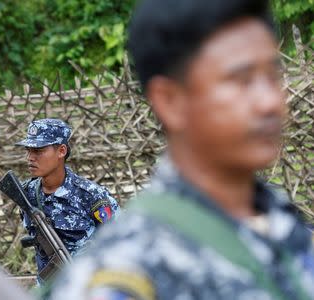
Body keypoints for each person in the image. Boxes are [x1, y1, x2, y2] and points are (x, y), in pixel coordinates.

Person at [48, 0, 314, 299]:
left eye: (273, 77)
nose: (270, 102)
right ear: (171, 101)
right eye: (241, 80)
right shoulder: (126, 273)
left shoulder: (288, 228)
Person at [15, 118, 119, 283]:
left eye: (38, 151)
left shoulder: (90, 195)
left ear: (61, 151)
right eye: (28, 150)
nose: (30, 157)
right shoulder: (26, 193)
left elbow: (119, 237)